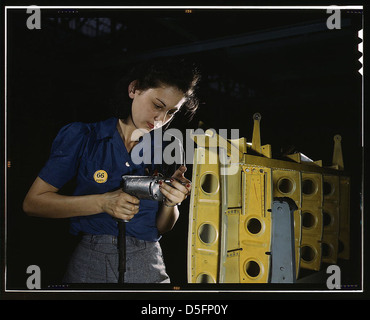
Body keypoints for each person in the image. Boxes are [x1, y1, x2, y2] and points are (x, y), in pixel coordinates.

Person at [22, 57, 201, 284]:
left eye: (171, 112)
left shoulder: (168, 149)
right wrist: (102, 202)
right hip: (90, 259)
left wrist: (171, 203)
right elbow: (33, 204)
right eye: (157, 105)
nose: (160, 119)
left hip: (148, 261)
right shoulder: (84, 137)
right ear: (133, 89)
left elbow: (163, 227)